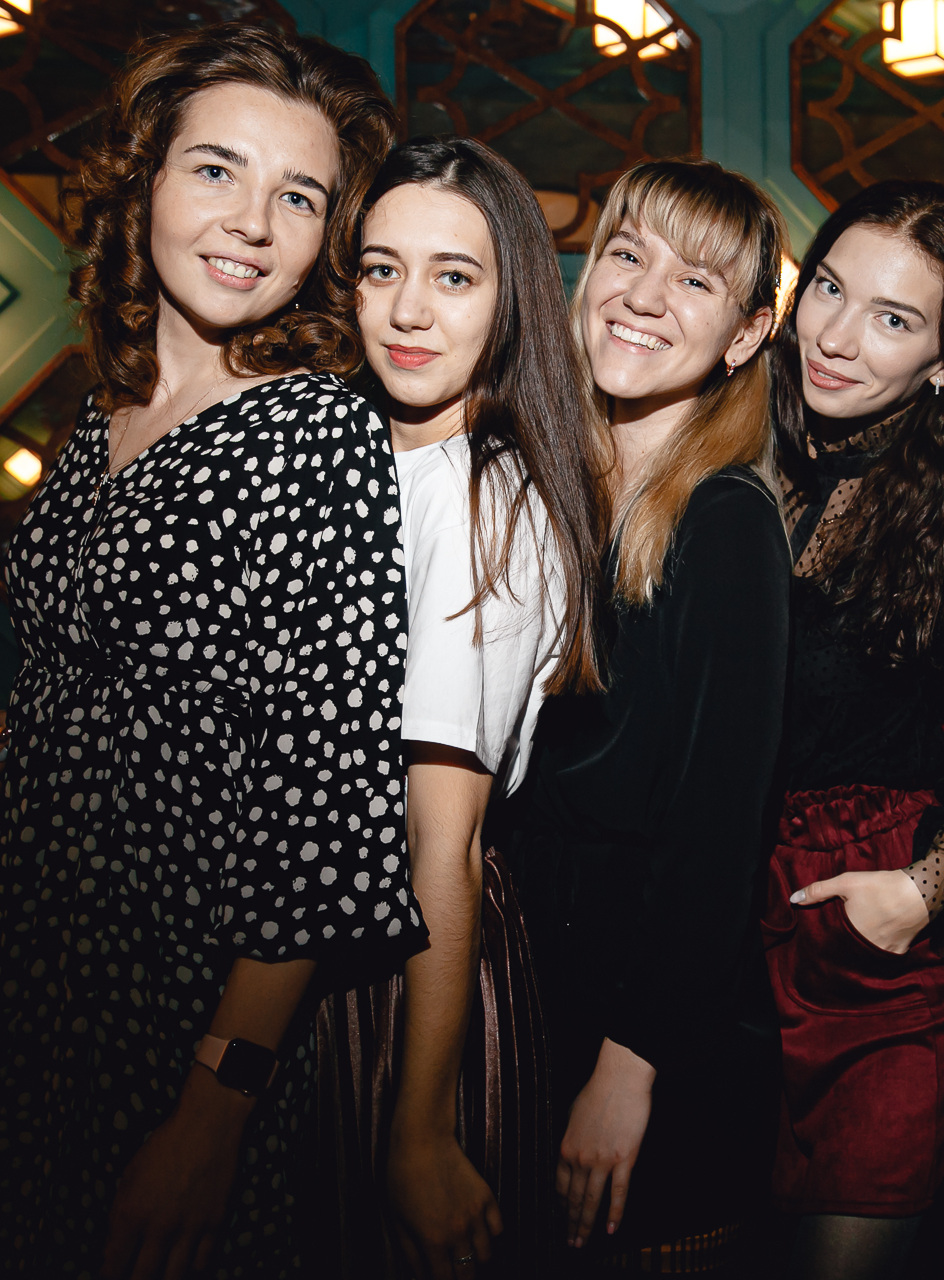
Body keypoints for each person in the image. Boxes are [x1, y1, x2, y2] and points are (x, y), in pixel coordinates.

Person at [0, 24, 411, 1278]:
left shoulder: (318, 438)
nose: (252, 221)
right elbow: (48, 722)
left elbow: (323, 816)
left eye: (299, 195)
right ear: (142, 183)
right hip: (33, 971)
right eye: (216, 169)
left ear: (328, 236)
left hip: (180, 1009)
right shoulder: (106, 413)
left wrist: (214, 1115)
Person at [761, 179, 944, 1279]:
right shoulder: (760, 473)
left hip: (883, 967)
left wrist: (916, 894)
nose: (836, 337)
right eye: (828, 289)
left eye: (892, 318)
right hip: (740, 937)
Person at [493, 159, 791, 1274]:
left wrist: (628, 1067)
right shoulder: (541, 480)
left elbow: (717, 834)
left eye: (697, 281)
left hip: (648, 1029)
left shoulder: (725, 520)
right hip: (529, 983)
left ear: (746, 337)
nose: (645, 295)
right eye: (629, 253)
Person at [317, 136, 602, 1279]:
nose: (408, 309)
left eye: (454, 275)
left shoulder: (485, 495)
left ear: (511, 300)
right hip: (327, 951)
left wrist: (422, 1128)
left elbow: (446, 837)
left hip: (414, 977)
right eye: (381, 268)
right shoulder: (356, 460)